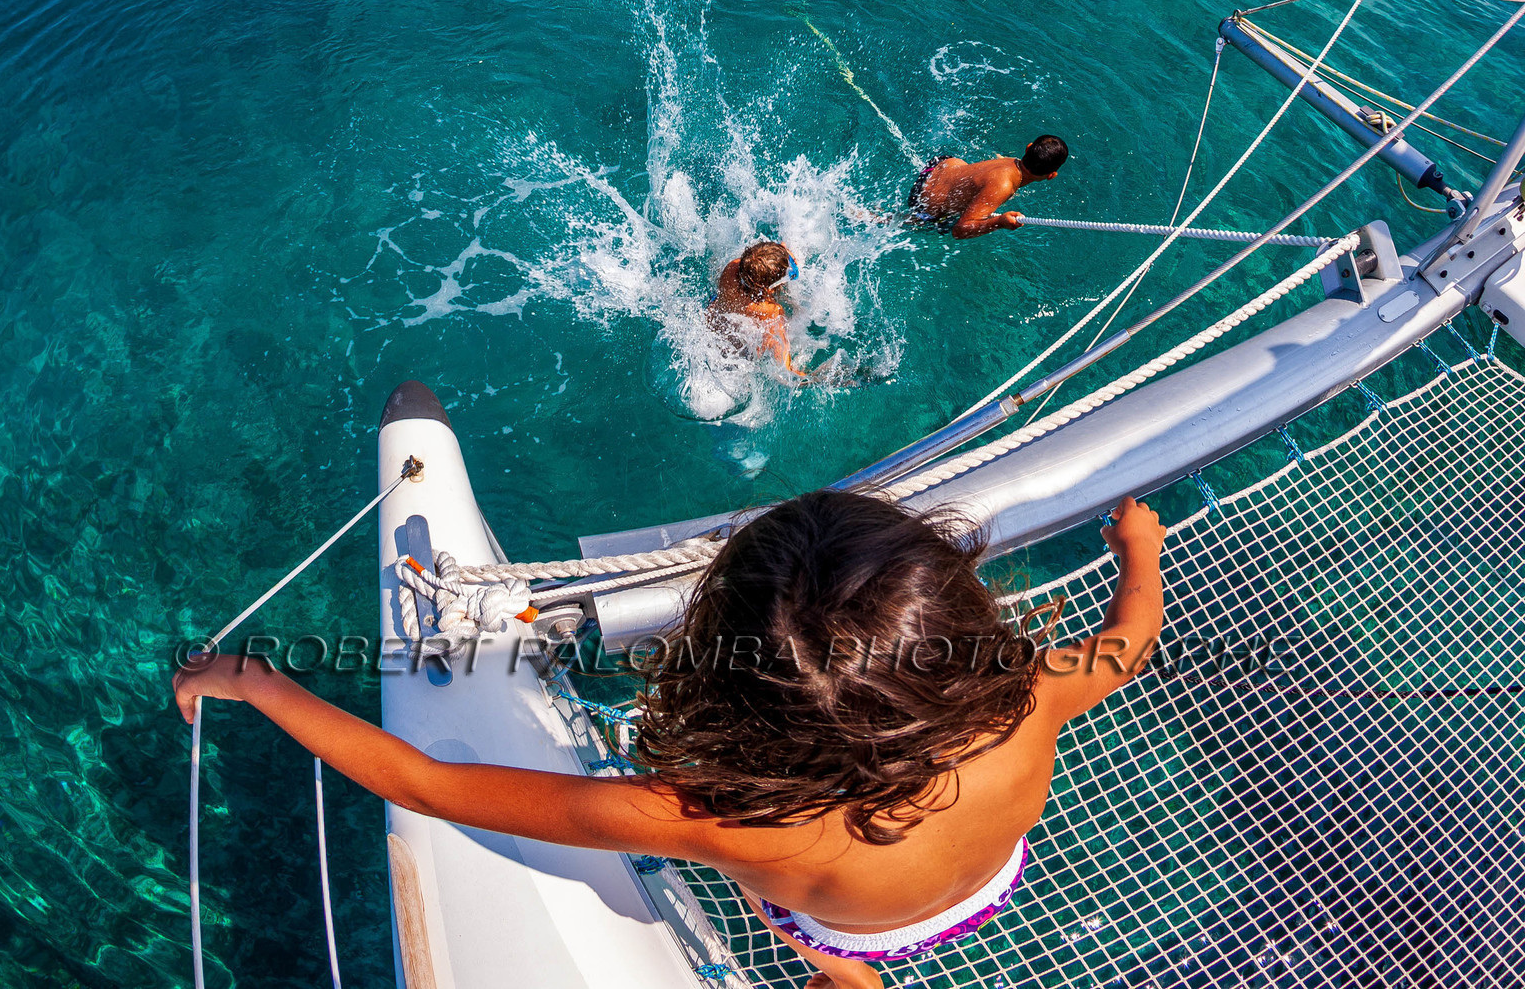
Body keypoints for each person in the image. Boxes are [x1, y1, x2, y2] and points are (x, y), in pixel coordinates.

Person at [174, 487, 1165, 989]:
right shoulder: (1032, 696)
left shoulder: (723, 820)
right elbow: (1131, 637)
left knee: (813, 931)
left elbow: (425, 783)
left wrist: (253, 678)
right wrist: (1140, 550)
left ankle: (842, 970)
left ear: (734, 690)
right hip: (983, 888)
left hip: (846, 922)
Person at [906, 135, 1069, 240]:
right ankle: (893, 219)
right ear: (1051, 175)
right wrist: (999, 222)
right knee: (939, 225)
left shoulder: (1011, 161)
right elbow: (959, 231)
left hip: (937, 166)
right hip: (923, 204)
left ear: (1028, 148)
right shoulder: (1004, 186)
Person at [709, 238, 805, 376]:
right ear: (769, 289)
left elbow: (756, 265)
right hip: (735, 356)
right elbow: (783, 363)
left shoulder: (732, 269)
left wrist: (778, 255)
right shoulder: (770, 311)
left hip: (713, 323)